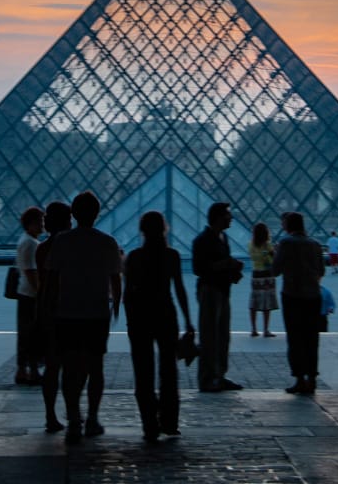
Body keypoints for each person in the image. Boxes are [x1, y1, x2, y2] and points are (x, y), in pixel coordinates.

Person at [46, 190, 122, 444]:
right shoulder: (108, 242)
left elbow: (51, 281)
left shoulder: (62, 242)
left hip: (66, 313)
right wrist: (117, 306)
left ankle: (73, 419)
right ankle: (92, 418)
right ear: (97, 213)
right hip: (97, 313)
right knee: (95, 367)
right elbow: (116, 279)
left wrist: (48, 309)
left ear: (73, 214)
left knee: (70, 369)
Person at [124, 210, 195, 443]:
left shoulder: (133, 257)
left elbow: (128, 294)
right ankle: (170, 422)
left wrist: (130, 320)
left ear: (142, 230)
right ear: (164, 228)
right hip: (166, 314)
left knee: (143, 372)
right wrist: (188, 321)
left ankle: (149, 424)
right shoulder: (171, 256)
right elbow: (180, 290)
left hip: (141, 317)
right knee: (169, 371)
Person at [192, 201, 244, 392]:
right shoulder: (202, 240)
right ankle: (207, 379)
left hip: (222, 290)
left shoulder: (223, 238)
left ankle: (219, 376)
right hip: (210, 290)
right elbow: (199, 269)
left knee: (222, 336)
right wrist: (226, 264)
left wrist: (232, 271)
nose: (231, 218)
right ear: (218, 217)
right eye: (228, 215)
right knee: (209, 336)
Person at [272, 211, 325, 395]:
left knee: (295, 338)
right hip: (313, 296)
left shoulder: (285, 243)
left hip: (293, 295)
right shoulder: (315, 244)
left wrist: (275, 253)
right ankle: (312, 378)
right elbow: (321, 270)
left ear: (288, 225)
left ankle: (299, 378)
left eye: (283, 223)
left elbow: (275, 270)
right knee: (311, 338)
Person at [35, 201, 72, 433]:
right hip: (72, 310)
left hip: (49, 313)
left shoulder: (42, 249)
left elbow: (43, 286)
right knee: (73, 367)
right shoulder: (73, 247)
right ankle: (73, 410)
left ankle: (50, 414)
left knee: (52, 367)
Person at [15, 205, 44, 385]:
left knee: (25, 335)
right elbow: (32, 272)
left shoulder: (24, 240)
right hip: (31, 295)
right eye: (40, 222)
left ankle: (24, 370)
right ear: (31, 224)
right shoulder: (32, 244)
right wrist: (42, 293)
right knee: (33, 335)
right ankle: (31, 371)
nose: (43, 225)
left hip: (24, 293)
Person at [248, 222, 278, 337]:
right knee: (267, 303)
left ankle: (254, 329)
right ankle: (266, 329)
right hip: (267, 275)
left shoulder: (250, 244)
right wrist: (271, 252)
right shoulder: (268, 245)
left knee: (254, 301)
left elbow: (254, 257)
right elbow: (272, 259)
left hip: (256, 274)